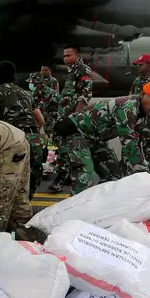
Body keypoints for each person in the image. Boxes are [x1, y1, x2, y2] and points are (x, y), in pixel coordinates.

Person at [53, 79, 150, 194]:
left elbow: (132, 149)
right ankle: (75, 211)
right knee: (85, 176)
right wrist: (147, 175)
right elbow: (129, 144)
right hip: (74, 132)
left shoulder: (143, 113)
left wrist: (137, 175)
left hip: (95, 138)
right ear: (143, 94)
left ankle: (106, 207)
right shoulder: (127, 108)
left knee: (115, 177)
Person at [0, 61, 47, 200]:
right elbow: (41, 120)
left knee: (11, 176)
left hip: (14, 138)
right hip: (35, 138)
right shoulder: (26, 93)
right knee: (32, 175)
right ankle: (26, 205)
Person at [49, 44, 93, 193]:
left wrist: (75, 117)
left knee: (65, 145)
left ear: (78, 56)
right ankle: (67, 174)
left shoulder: (82, 70)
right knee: (62, 144)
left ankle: (61, 176)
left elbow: (85, 95)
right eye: (64, 56)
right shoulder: (72, 71)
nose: (65, 58)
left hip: (72, 118)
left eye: (69, 55)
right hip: (65, 114)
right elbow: (71, 93)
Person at [28, 61, 60, 135]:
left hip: (49, 110)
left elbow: (55, 96)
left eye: (46, 70)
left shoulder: (53, 81)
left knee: (48, 130)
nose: (43, 72)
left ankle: (50, 144)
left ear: (49, 71)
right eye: (42, 70)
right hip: (39, 108)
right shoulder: (38, 80)